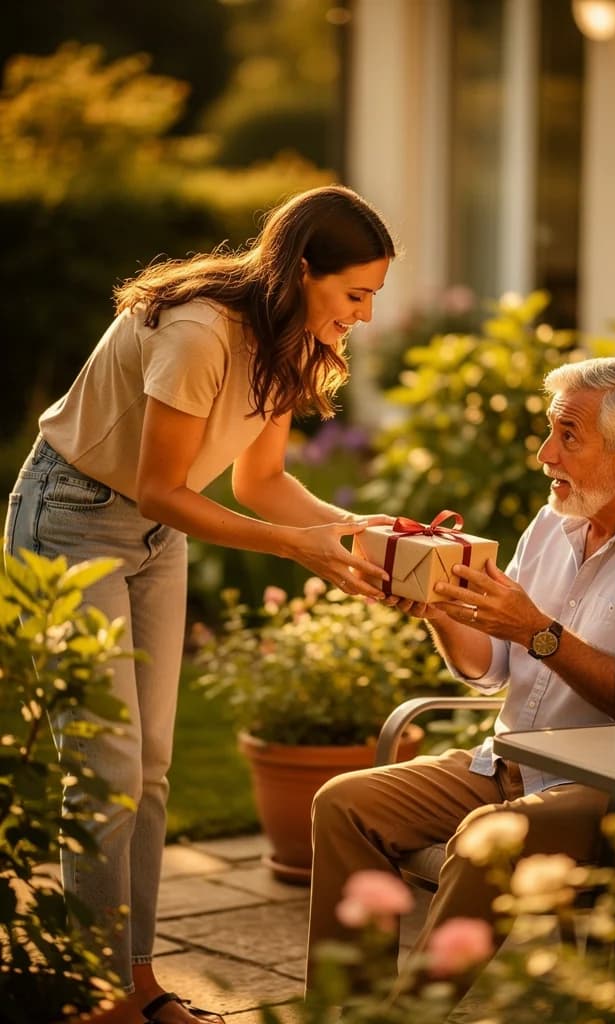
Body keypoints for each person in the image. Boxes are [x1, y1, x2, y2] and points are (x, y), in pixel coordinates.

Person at [3, 184, 397, 1024]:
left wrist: (355, 531)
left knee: (149, 767)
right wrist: (295, 547)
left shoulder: (289, 339)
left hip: (154, 535)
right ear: (304, 270)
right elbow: (162, 488)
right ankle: (97, 996)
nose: (365, 315)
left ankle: (136, 981)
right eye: (356, 293)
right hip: (73, 518)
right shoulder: (199, 332)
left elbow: (261, 481)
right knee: (105, 769)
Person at [307, 356, 615, 998]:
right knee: (344, 804)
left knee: (485, 840)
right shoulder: (553, 523)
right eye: (549, 430)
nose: (545, 454)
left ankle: (408, 1017)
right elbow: (491, 667)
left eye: (568, 435)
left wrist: (538, 632)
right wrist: (438, 609)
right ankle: (348, 1009)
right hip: (511, 766)